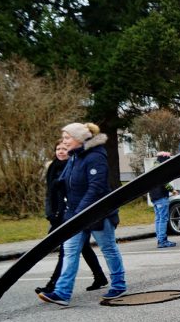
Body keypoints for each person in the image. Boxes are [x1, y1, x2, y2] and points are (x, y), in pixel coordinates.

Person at [38, 122, 127, 305]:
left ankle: (118, 284)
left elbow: (96, 187)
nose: (64, 142)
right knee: (70, 251)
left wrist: (81, 211)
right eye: (63, 138)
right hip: (75, 214)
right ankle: (62, 293)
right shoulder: (74, 156)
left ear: (79, 139)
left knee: (108, 248)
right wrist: (58, 184)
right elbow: (68, 178)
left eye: (67, 138)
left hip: (97, 212)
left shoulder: (96, 156)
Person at [37, 142, 109, 294]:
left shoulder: (73, 165)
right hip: (58, 215)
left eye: (64, 149)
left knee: (66, 250)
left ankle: (53, 286)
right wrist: (50, 213)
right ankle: (100, 276)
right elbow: (50, 194)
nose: (61, 152)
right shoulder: (53, 168)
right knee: (83, 248)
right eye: (58, 149)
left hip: (73, 213)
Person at [149, 152, 176, 249]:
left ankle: (159, 239)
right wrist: (172, 190)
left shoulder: (152, 168)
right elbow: (165, 183)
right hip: (161, 196)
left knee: (158, 219)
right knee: (163, 219)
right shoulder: (161, 169)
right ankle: (162, 240)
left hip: (154, 197)